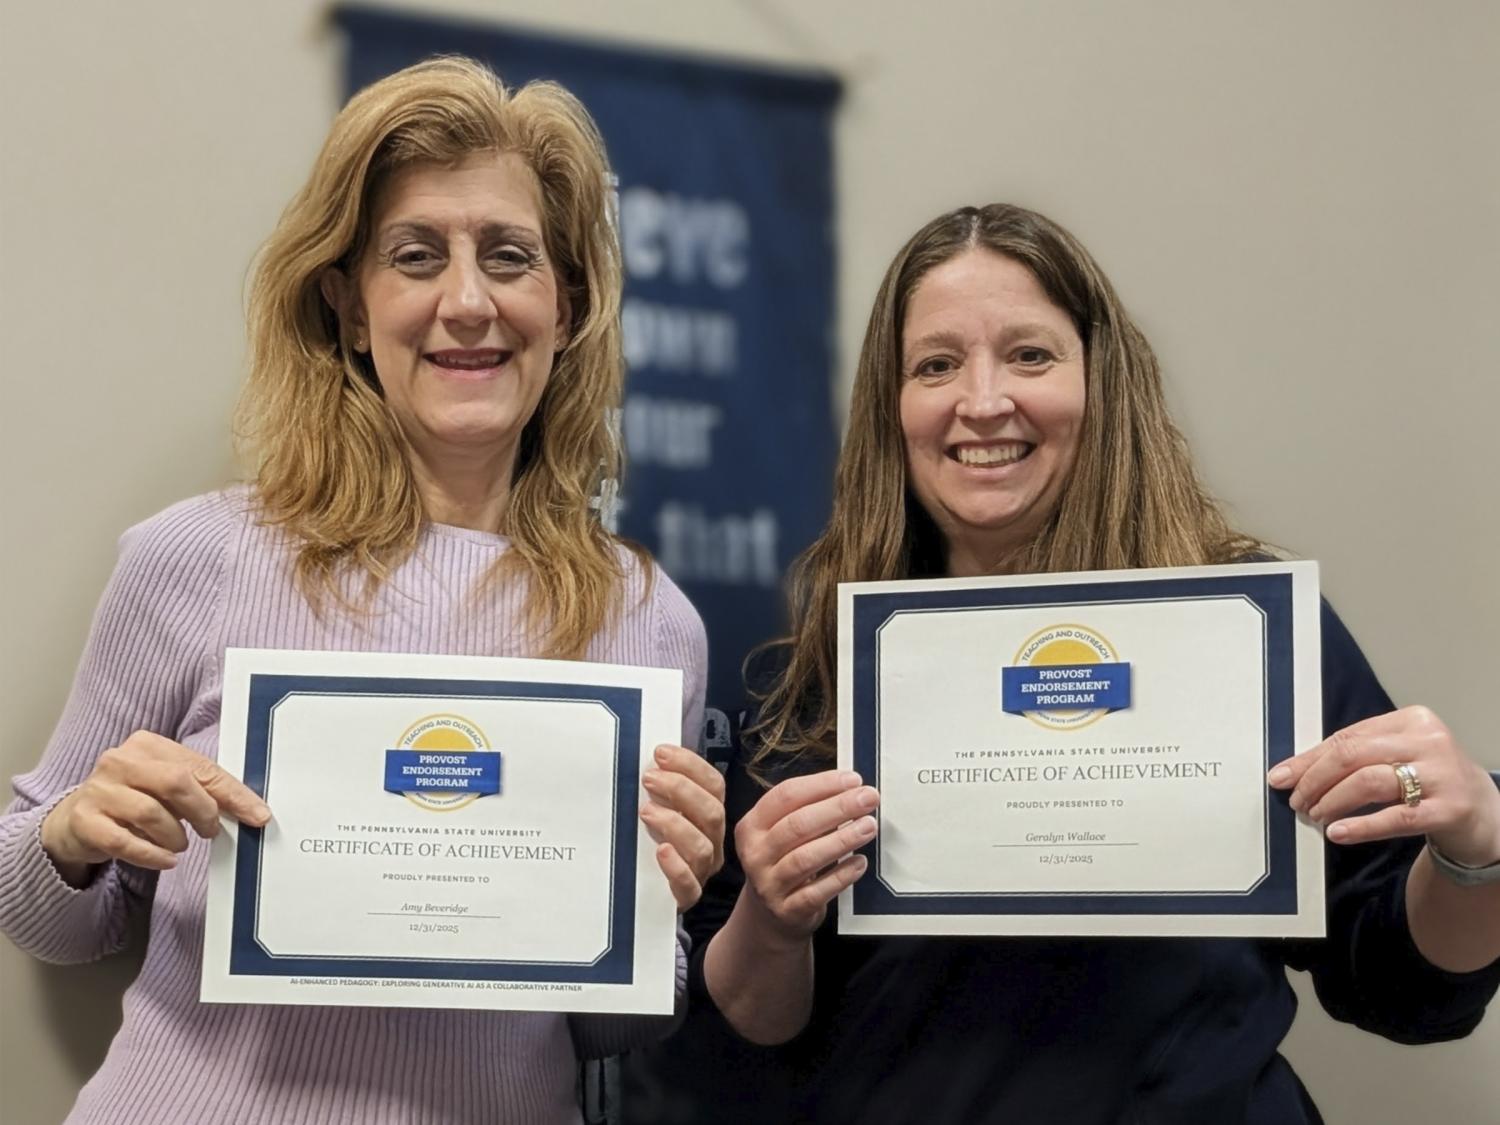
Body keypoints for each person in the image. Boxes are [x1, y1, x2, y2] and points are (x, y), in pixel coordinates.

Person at [0, 58, 725, 1125]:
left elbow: (614, 1027)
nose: (467, 303)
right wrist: (73, 832)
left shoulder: (646, 619)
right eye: (416, 256)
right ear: (347, 305)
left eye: (510, 258)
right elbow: (46, 922)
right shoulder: (193, 556)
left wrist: (667, 899)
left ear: (565, 306)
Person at [686, 203, 1500, 1124]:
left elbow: (1400, 981)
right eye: (936, 364)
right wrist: (773, 914)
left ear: (1099, 379)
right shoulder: (821, 675)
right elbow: (748, 1027)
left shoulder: (1244, 630)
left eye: (1030, 355)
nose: (982, 400)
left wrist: (1477, 848)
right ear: (892, 405)